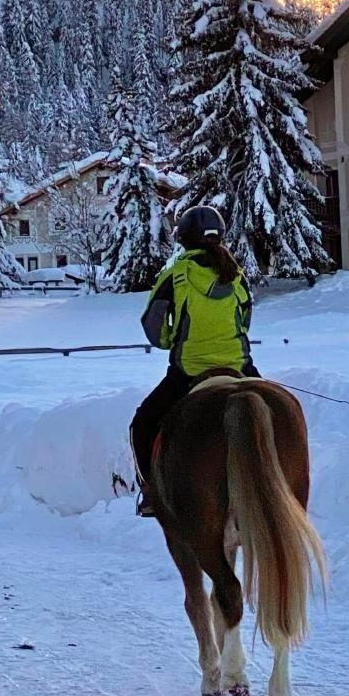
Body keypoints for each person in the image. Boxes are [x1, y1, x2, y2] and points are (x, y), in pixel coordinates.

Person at [130, 205, 260, 517]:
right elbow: (245, 321)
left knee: (142, 424)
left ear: (183, 240)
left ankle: (151, 493)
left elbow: (153, 326)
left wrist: (171, 340)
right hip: (239, 366)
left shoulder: (175, 275)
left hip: (189, 371)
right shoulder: (236, 276)